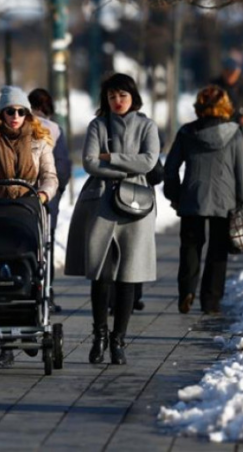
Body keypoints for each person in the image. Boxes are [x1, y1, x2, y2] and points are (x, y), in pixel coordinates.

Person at [65, 73, 159, 365]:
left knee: (128, 277)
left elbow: (149, 161)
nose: (117, 102)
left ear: (133, 97)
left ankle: (119, 340)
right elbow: (90, 163)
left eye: (123, 96)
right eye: (111, 97)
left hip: (136, 205)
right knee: (101, 274)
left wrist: (111, 158)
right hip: (101, 203)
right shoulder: (97, 125)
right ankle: (99, 335)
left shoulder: (147, 125)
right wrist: (124, 169)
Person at [0, 85, 59, 367]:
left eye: (21, 111)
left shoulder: (40, 141)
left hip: (27, 212)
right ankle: (6, 345)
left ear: (28, 114)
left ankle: (31, 324)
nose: (16, 116)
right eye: (10, 111)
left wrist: (42, 194)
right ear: (1, 114)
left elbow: (50, 177)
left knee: (29, 271)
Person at [163, 85, 243, 315]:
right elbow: (240, 172)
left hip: (192, 198)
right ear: (225, 107)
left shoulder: (186, 133)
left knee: (190, 247)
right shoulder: (234, 133)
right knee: (217, 250)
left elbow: (170, 169)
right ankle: (211, 301)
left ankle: (187, 291)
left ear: (199, 106)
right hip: (225, 200)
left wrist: (176, 196)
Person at [28, 88, 71, 314]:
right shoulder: (53, 129)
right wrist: (56, 192)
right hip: (45, 197)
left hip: (17, 201)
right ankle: (47, 291)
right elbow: (62, 167)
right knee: (46, 245)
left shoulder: (15, 123)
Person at [211, 57, 243, 152]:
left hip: (240, 134)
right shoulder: (215, 86)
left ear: (238, 72)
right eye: (227, 72)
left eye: (233, 72)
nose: (230, 76)